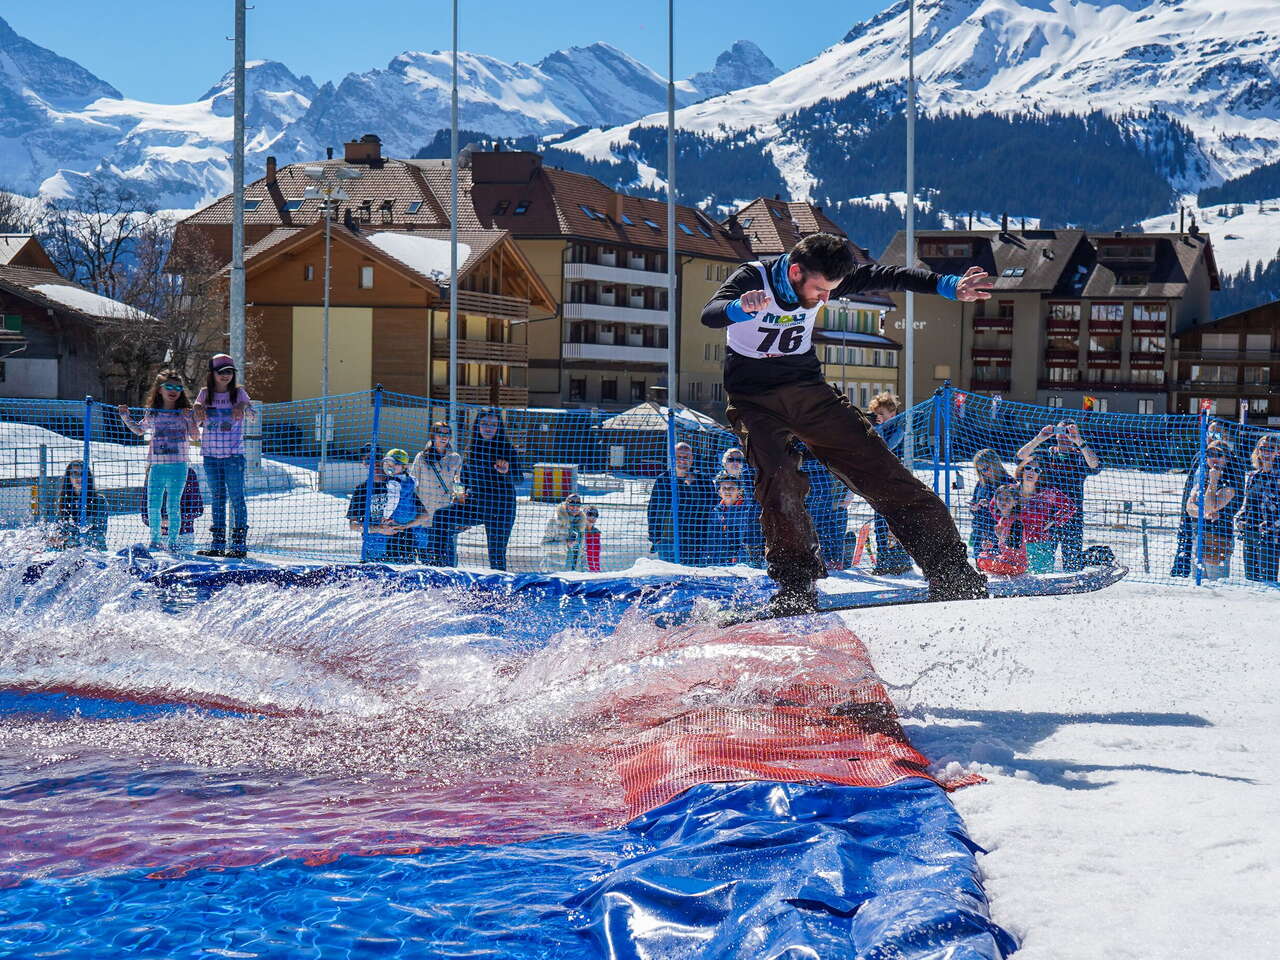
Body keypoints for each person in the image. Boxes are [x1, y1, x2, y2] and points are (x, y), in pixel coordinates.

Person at [700, 232, 991, 613]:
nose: (825, 298)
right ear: (794, 272)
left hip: (806, 387)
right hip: (754, 400)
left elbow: (890, 276)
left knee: (878, 468)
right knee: (778, 480)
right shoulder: (753, 278)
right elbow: (710, 312)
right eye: (820, 289)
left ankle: (950, 571)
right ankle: (795, 586)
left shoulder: (828, 279)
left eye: (830, 291)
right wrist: (738, 309)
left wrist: (948, 285)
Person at [118, 370, 201, 553]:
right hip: (156, 466)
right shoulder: (153, 413)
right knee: (153, 506)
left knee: (173, 505)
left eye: (178, 387)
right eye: (169, 386)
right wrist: (125, 417)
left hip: (179, 466)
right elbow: (139, 430)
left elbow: (195, 436)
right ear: (160, 390)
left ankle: (172, 541)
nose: (174, 390)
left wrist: (191, 419)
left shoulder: (184, 413)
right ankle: (155, 540)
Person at [437, 410, 525, 570]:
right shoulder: (471, 449)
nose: (488, 428)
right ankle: (441, 566)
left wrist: (507, 471)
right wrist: (460, 495)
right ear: (477, 425)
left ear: (498, 427)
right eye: (484, 424)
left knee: (496, 556)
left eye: (493, 425)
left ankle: (498, 591)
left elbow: (519, 478)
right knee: (441, 516)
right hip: (476, 506)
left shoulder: (506, 449)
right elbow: (464, 480)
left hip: (501, 509)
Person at [1016, 421, 1102, 572]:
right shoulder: (1048, 454)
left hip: (1072, 518)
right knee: (1043, 559)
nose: (1064, 437)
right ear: (1055, 434)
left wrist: (1079, 441)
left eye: (1068, 433)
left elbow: (1095, 466)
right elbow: (1020, 457)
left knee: (1072, 563)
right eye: (1061, 432)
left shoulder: (1080, 457)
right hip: (1045, 517)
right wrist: (1039, 438)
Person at [192, 354, 255, 558]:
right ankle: (218, 543)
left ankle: (239, 545)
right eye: (221, 372)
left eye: (229, 372)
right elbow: (195, 412)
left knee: (237, 498)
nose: (226, 375)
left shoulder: (239, 393)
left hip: (233, 456)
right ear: (212, 374)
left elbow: (253, 415)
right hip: (210, 456)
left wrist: (243, 406)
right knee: (218, 498)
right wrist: (198, 408)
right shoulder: (204, 394)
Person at [1171, 420, 1233, 578]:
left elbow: (1215, 505)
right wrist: (1200, 513)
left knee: (1215, 580)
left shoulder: (1231, 467)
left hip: (1217, 531)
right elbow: (1189, 501)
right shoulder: (1200, 457)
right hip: (1194, 526)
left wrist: (1213, 482)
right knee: (1193, 577)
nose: (1213, 437)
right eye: (1210, 433)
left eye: (1217, 434)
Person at [647, 441, 717, 564]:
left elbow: (710, 506)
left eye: (686, 457)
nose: (682, 460)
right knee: (669, 577)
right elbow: (653, 509)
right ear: (672, 457)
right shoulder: (663, 479)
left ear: (692, 458)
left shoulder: (704, 481)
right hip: (668, 539)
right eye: (679, 457)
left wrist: (692, 485)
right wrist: (655, 538)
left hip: (697, 538)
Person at [867, 392, 913, 576]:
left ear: (891, 414)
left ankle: (900, 561)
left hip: (894, 482)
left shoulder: (898, 430)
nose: (878, 417)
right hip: (879, 481)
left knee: (895, 523)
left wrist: (878, 429)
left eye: (881, 413)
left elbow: (884, 447)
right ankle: (883, 562)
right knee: (880, 524)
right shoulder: (878, 428)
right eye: (876, 413)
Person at [408, 421, 463, 564]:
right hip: (424, 517)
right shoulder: (421, 457)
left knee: (448, 561)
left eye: (447, 434)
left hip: (445, 517)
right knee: (427, 562)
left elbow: (458, 485)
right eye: (440, 433)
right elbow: (412, 485)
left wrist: (460, 506)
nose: (444, 437)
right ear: (433, 435)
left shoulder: (456, 458)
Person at [1184, 441, 1238, 580]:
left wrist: (1214, 481)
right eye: (1210, 454)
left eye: (1218, 454)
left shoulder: (1231, 480)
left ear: (1227, 458)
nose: (1214, 458)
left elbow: (1210, 506)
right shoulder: (1201, 477)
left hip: (1219, 538)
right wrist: (1205, 515)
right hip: (1199, 536)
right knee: (1198, 586)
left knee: (1216, 584)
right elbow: (1189, 508)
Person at [1014, 458, 1076, 573]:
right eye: (1028, 468)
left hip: (1040, 547)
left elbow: (1070, 507)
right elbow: (994, 507)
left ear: (1040, 475)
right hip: (1015, 546)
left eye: (1036, 470)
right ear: (1022, 470)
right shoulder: (1011, 491)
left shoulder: (1047, 493)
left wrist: (1054, 520)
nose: (1032, 472)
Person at [1238, 434, 1280, 584]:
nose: (1266, 453)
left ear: (1277, 452)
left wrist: (1270, 525)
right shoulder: (1253, 476)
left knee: (1268, 582)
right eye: (1262, 448)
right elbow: (1247, 503)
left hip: (1270, 537)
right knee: (1251, 581)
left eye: (1271, 449)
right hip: (1250, 532)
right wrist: (1241, 519)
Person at [141, 465, 205, 554]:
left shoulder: (188, 472)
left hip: (183, 536)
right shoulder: (153, 472)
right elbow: (145, 513)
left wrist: (174, 521)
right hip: (159, 539)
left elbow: (198, 509)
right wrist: (157, 523)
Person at [50, 460, 109, 551]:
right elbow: (59, 529)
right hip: (69, 554)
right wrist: (55, 539)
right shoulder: (63, 501)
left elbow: (99, 534)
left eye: (82, 474)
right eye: (75, 473)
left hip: (94, 552)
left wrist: (69, 539)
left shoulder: (99, 501)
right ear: (68, 477)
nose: (79, 478)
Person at [707, 474, 763, 566]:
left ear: (739, 491)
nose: (728, 491)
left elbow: (745, 538)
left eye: (732, 488)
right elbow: (713, 539)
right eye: (724, 488)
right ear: (719, 492)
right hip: (722, 561)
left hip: (744, 561)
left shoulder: (748, 509)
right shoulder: (715, 512)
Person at [969, 449, 1014, 560]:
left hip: (1000, 532)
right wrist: (974, 507)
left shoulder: (1008, 482)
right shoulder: (981, 484)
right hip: (981, 532)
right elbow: (974, 502)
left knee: (1000, 568)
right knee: (980, 566)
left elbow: (1014, 508)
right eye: (980, 471)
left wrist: (990, 504)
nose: (984, 473)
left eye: (986, 468)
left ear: (995, 464)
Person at [976, 485, 1028, 577]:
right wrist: (989, 546)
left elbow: (1016, 545)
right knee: (981, 556)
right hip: (1006, 560)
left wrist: (1002, 538)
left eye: (1007, 499)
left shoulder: (1016, 521)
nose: (1003, 502)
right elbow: (1001, 546)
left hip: (1017, 564)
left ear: (1015, 502)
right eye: (1000, 499)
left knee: (984, 559)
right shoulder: (1002, 520)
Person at [542, 492, 586, 570]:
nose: (575, 507)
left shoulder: (581, 524)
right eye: (572, 503)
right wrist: (565, 545)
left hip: (573, 571)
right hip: (554, 569)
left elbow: (582, 552)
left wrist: (583, 569)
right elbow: (544, 546)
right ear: (566, 505)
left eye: (578, 504)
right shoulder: (554, 521)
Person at [581, 505, 603, 573]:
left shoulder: (596, 533)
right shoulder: (579, 531)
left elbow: (596, 556)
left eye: (595, 515)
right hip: (582, 571)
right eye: (590, 514)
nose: (593, 517)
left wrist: (598, 572)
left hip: (595, 571)